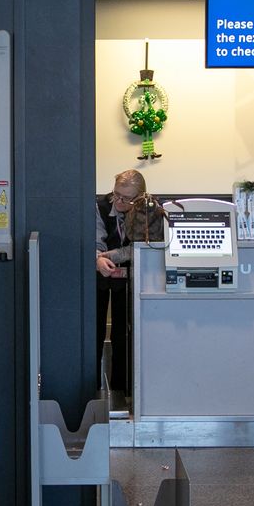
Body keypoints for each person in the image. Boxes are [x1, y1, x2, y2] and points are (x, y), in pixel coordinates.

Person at [95, 169, 164, 403]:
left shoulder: (151, 208)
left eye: (127, 199)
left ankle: (124, 395)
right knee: (94, 334)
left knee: (125, 337)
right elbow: (95, 239)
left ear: (141, 196)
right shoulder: (101, 206)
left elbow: (143, 247)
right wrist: (98, 258)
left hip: (135, 279)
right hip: (102, 276)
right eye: (117, 195)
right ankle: (94, 395)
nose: (120, 202)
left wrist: (110, 256)